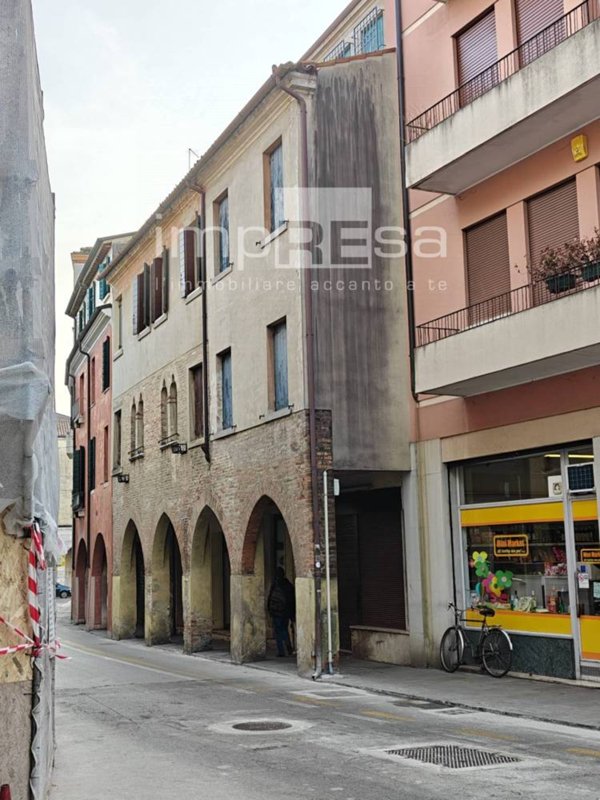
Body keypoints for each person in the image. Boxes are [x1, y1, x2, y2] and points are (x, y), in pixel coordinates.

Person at [267, 567, 295, 657]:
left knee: (278, 632)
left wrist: (270, 610)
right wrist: (292, 614)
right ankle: (289, 647)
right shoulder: (289, 585)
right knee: (284, 630)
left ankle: (281, 651)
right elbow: (292, 601)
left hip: (276, 613)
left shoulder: (275, 585)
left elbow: (270, 598)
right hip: (286, 613)